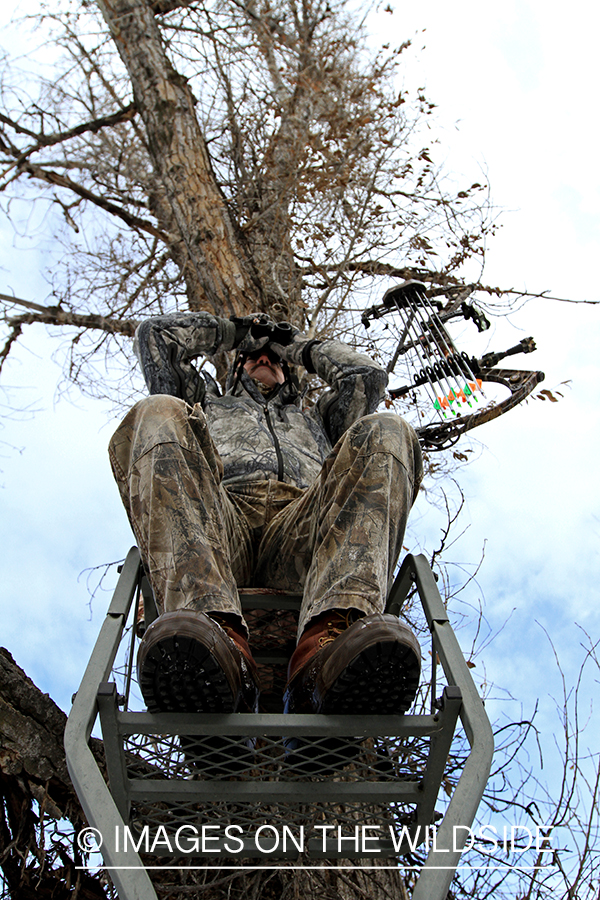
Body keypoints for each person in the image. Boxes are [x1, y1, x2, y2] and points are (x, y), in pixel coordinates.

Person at [109, 311, 423, 721]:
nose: (263, 359)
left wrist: (294, 346)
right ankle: (215, 642)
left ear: (289, 374)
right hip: (221, 526)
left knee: (388, 430)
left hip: (301, 532)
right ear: (235, 367)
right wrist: (235, 332)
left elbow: (366, 379)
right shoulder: (204, 402)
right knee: (157, 412)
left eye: (273, 359)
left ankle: (327, 650)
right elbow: (155, 336)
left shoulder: (318, 419)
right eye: (253, 357)